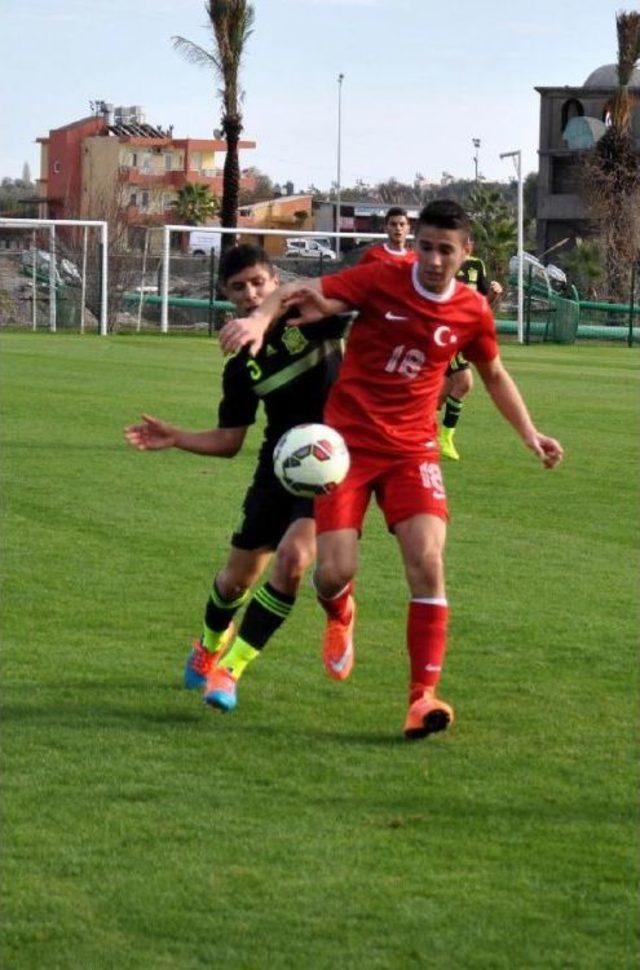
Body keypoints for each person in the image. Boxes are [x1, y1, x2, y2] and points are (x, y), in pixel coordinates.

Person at [219, 200, 563, 741]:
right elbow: (297, 290)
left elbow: (493, 373)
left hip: (412, 451)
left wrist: (530, 434)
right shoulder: (383, 277)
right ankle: (340, 610)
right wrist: (260, 319)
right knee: (332, 572)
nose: (430, 259)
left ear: (465, 253)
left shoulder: (472, 310)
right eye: (424, 246)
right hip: (347, 450)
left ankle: (420, 698)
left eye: (444, 250)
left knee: (427, 559)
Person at [124, 244, 346, 713]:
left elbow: (342, 297)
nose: (250, 293)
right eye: (238, 287)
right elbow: (229, 442)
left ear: (273, 282)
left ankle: (231, 670)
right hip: (277, 470)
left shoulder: (315, 317)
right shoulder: (240, 366)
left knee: (293, 560)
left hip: (329, 468)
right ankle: (208, 645)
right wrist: (177, 437)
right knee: (235, 583)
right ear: (226, 295)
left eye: (258, 283)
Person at [438, 249, 503, 461]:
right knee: (464, 382)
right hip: (447, 333)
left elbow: (482, 303)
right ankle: (445, 438)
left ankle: (416, 432)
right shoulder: (443, 264)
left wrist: (494, 292)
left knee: (440, 394)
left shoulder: (477, 265)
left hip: (466, 333)